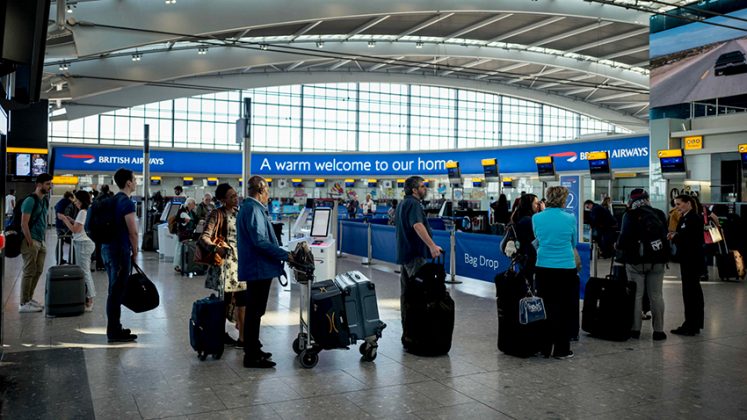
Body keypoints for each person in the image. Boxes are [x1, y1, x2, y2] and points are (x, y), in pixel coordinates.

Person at [237, 176, 291, 368]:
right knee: (254, 311)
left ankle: (254, 347)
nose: (268, 196)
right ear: (260, 190)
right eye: (267, 191)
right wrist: (284, 254)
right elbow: (259, 241)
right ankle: (251, 355)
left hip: (258, 267)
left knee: (256, 311)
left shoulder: (252, 208)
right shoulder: (252, 209)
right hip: (258, 268)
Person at [395, 176, 443, 346]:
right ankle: (419, 333)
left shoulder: (402, 204)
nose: (425, 189)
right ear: (414, 190)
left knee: (407, 295)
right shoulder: (414, 204)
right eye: (422, 186)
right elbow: (417, 225)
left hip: (405, 255)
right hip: (415, 256)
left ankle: (408, 331)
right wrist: (431, 246)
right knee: (420, 295)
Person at [615, 189, 668, 341]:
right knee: (656, 296)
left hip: (635, 261)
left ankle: (635, 330)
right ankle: (658, 331)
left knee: (637, 296)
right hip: (658, 260)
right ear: (647, 199)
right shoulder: (659, 213)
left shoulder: (629, 215)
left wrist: (618, 247)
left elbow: (623, 239)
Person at [532, 186, 578, 359]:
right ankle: (562, 349)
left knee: (545, 306)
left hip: (543, 265)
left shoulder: (537, 218)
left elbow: (538, 238)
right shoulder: (570, 218)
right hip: (566, 267)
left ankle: (544, 347)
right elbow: (572, 243)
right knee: (564, 308)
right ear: (563, 199)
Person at [200, 184, 247, 348]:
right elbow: (204, 237)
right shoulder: (216, 214)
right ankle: (220, 333)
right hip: (225, 265)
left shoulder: (239, 213)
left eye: (236, 195)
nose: (236, 198)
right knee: (224, 302)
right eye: (231, 196)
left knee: (242, 300)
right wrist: (216, 248)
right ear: (222, 200)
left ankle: (243, 337)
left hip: (240, 264)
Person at [102, 168, 139, 342]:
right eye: (135, 179)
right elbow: (133, 231)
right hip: (120, 252)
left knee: (113, 290)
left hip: (107, 249)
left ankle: (115, 328)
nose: (136, 182)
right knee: (116, 293)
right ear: (128, 183)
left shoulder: (113, 200)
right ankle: (114, 331)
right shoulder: (127, 203)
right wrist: (136, 251)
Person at [668, 194, 705, 336]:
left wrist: (676, 236)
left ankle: (691, 324)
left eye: (678, 204)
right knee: (690, 292)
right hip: (687, 259)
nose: (677, 207)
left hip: (692, 260)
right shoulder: (685, 217)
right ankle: (692, 323)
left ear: (688, 203)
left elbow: (690, 239)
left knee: (691, 292)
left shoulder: (694, 218)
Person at [18, 173, 52, 313]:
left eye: (50, 184)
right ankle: (23, 302)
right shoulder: (30, 201)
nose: (50, 186)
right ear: (39, 184)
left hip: (41, 241)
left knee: (38, 271)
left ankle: (29, 298)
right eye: (47, 184)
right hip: (31, 240)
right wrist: (30, 241)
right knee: (29, 271)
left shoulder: (44, 201)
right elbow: (23, 223)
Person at [58, 190, 96, 311]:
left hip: (83, 244)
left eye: (76, 200)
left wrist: (64, 219)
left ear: (81, 200)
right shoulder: (85, 211)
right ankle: (88, 297)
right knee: (84, 271)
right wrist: (71, 219)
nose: (75, 202)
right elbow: (80, 226)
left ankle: (90, 300)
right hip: (84, 243)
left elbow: (75, 230)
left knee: (85, 272)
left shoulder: (82, 212)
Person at [509, 194, 540, 278]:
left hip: (524, 257)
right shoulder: (528, 220)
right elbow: (538, 237)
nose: (538, 206)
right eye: (536, 203)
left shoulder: (520, 218)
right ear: (529, 205)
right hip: (530, 257)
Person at [174, 198, 197, 273]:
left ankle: (182, 265)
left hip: (188, 233)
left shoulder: (191, 211)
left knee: (183, 249)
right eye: (193, 204)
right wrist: (184, 220)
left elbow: (195, 219)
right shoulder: (182, 210)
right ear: (189, 204)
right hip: (182, 233)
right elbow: (177, 219)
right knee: (179, 249)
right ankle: (177, 265)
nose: (194, 206)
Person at [55, 191, 77, 264]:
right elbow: (67, 215)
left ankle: (59, 259)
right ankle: (72, 259)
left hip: (58, 225)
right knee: (72, 242)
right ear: (70, 197)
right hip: (66, 226)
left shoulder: (59, 202)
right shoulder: (69, 203)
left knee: (60, 242)